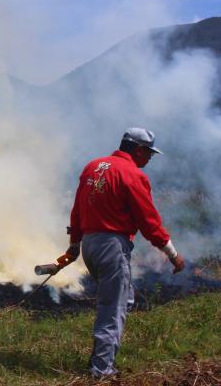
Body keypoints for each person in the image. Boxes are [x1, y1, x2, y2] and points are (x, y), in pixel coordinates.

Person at [59, 127, 186, 378]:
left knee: (122, 299)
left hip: (90, 246)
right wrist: (172, 254)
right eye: (148, 152)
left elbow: (77, 211)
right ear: (138, 150)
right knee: (113, 308)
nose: (149, 158)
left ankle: (100, 357)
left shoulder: (92, 167)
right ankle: (102, 371)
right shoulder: (132, 175)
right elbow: (149, 222)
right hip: (111, 246)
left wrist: (74, 246)